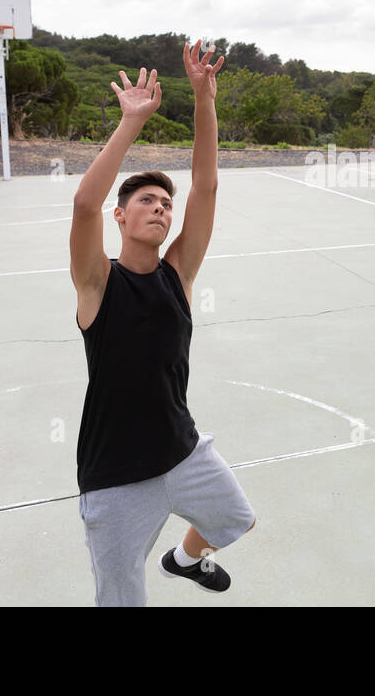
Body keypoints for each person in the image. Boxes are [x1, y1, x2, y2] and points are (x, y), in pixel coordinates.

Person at [68, 39, 255, 606]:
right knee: (122, 600)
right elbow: (82, 206)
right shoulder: (97, 283)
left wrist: (204, 97)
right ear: (121, 217)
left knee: (235, 520)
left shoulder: (179, 275)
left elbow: (206, 186)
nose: (161, 208)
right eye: (147, 201)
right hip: (117, 476)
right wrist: (131, 122)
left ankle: (185, 558)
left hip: (183, 451)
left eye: (165, 205)